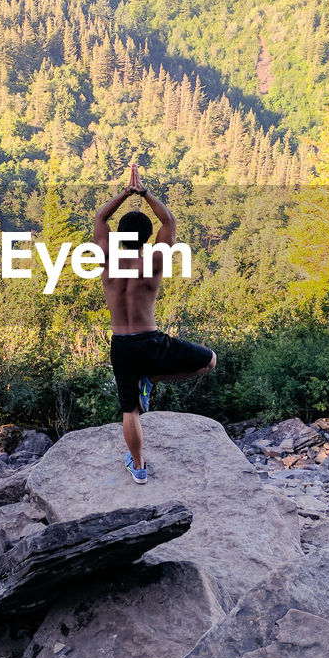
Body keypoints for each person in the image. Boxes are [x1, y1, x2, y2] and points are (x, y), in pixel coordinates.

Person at [93, 164, 216, 484]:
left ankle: (138, 467)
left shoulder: (107, 260)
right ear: (148, 237)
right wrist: (144, 192)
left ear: (119, 236)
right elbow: (169, 221)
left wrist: (124, 193)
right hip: (151, 341)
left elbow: (100, 219)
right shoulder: (155, 259)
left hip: (121, 345)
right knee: (209, 361)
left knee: (130, 410)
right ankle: (152, 376)